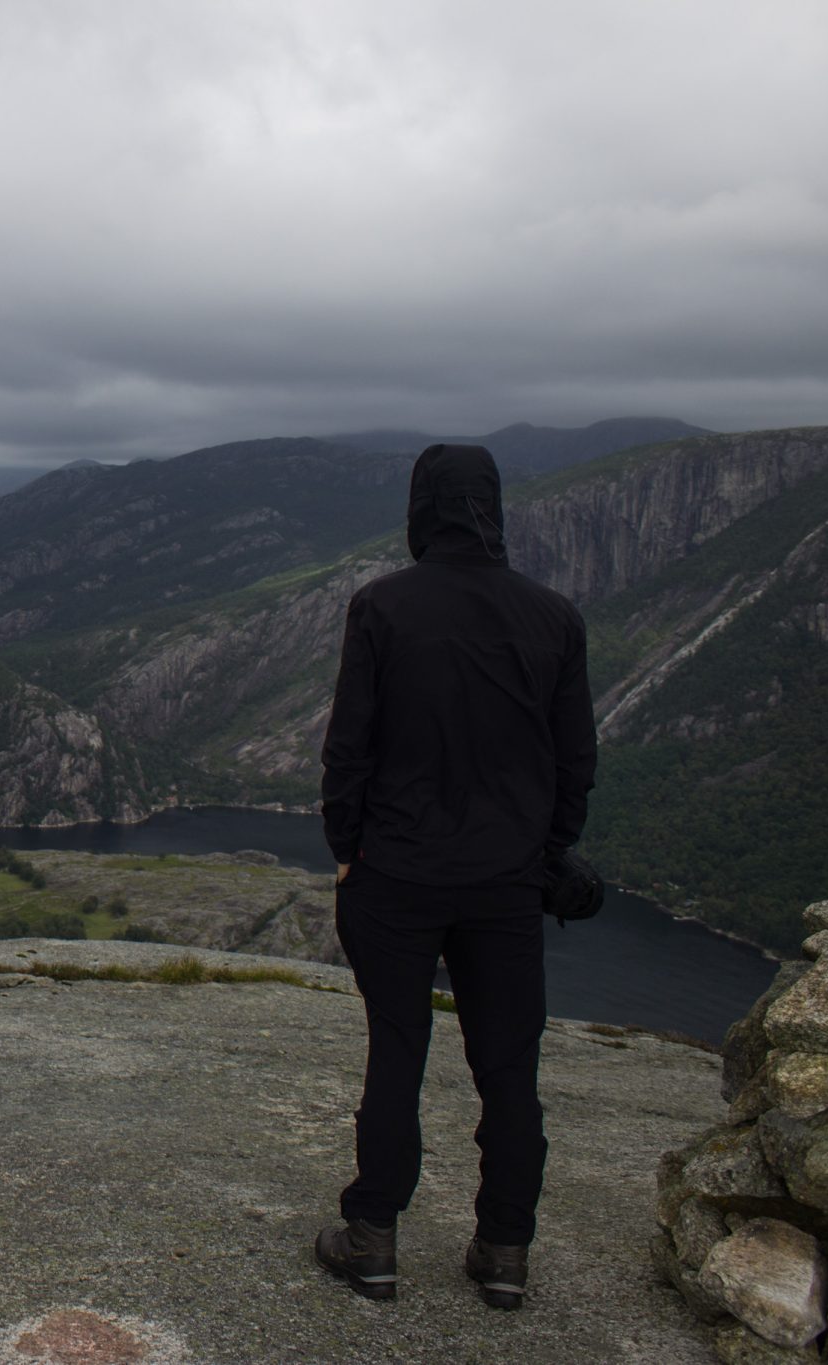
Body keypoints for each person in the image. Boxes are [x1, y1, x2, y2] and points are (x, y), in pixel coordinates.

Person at [312, 443, 597, 1310]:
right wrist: (546, 858)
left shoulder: (384, 608)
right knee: (510, 1067)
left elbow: (349, 747)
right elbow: (575, 761)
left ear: (421, 507)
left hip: (397, 873)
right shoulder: (554, 617)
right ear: (493, 507)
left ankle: (373, 1239)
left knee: (397, 1050)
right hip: (505, 884)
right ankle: (504, 1249)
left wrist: (346, 848)